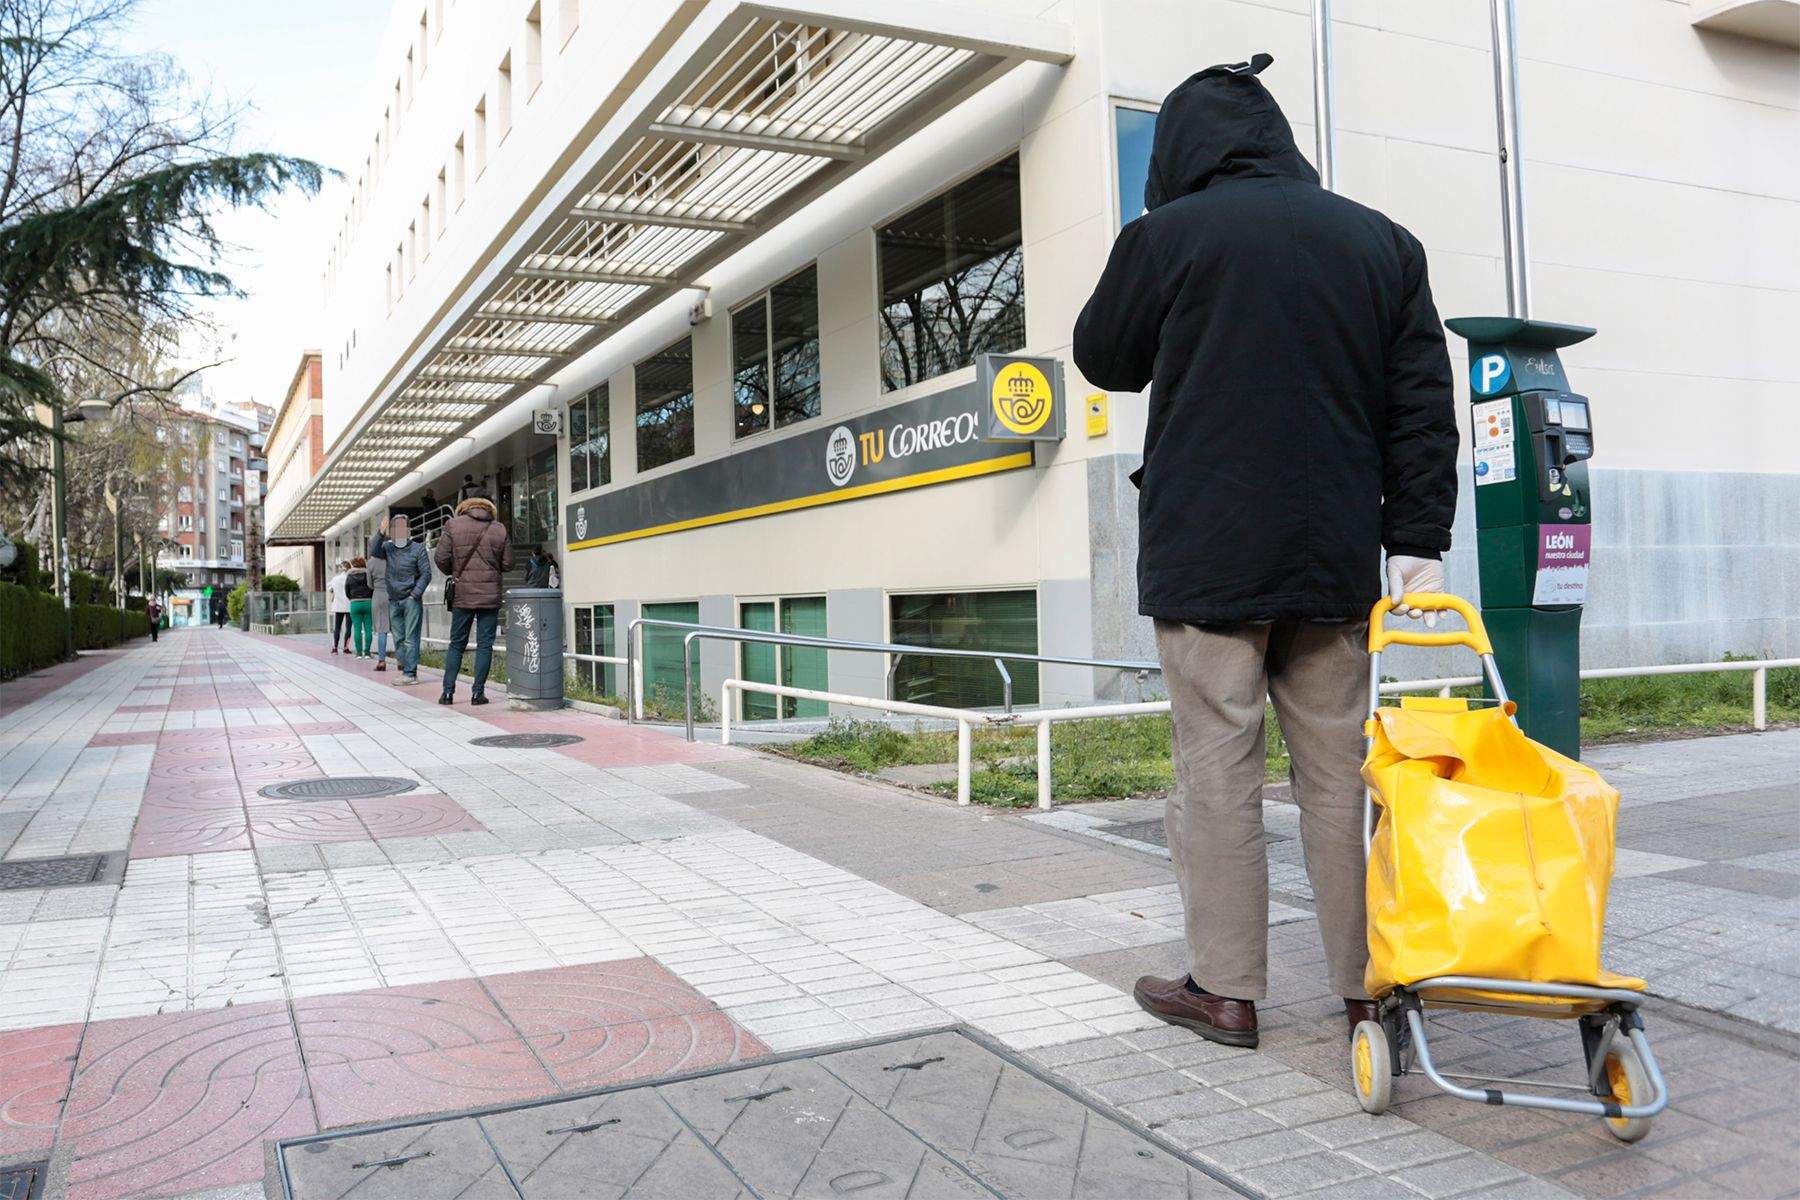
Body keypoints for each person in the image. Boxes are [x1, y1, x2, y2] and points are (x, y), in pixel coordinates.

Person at [1072, 54, 1458, 1049]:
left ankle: (1227, 991)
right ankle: (1369, 990)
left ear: (1185, 150)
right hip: (1333, 557)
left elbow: (1103, 356)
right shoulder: (1384, 243)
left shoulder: (1169, 235)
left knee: (1219, 770)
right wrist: (1417, 540)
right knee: (1340, 777)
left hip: (1208, 558)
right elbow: (1420, 406)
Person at [432, 490, 512, 705]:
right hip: (489, 595)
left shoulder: (453, 525)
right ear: (490, 505)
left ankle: (447, 693)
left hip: (463, 594)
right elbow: (508, 563)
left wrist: (456, 572)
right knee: (485, 645)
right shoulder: (499, 529)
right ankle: (478, 694)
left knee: (457, 644)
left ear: (466, 504)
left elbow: (440, 557)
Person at [369, 513, 432, 685]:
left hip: (411, 599)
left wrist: (414, 595)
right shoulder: (388, 548)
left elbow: (426, 574)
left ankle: (410, 673)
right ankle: (406, 670)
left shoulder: (418, 549)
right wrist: (380, 532)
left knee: (411, 638)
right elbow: (373, 551)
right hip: (393, 600)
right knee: (398, 638)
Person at [365, 525, 392, 670]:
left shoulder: (370, 563)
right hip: (393, 594)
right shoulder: (392, 559)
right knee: (399, 628)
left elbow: (369, 584)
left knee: (382, 630)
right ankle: (401, 660)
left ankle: (381, 661)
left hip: (378, 595)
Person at [345, 557, 374, 658]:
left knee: (357, 629)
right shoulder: (368, 574)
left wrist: (352, 598)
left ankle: (358, 653)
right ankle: (367, 653)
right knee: (368, 629)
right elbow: (372, 588)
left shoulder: (349, 575)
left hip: (355, 604)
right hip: (368, 603)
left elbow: (347, 591)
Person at [325, 560, 350, 653]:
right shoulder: (350, 578)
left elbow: (330, 588)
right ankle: (346, 648)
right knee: (348, 627)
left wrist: (334, 591)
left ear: (341, 568)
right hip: (349, 605)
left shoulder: (335, 579)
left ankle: (335, 648)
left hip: (338, 605)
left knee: (337, 627)